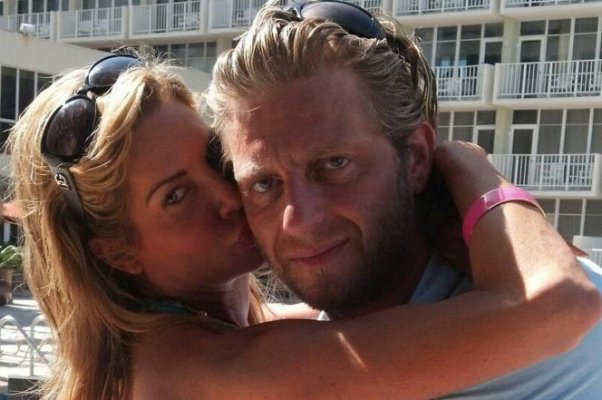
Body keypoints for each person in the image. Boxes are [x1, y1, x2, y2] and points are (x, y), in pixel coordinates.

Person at [8, 52, 600, 400]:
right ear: (118, 252)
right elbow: (559, 305)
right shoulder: (210, 372)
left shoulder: (224, 338)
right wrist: (467, 166)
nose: (229, 195)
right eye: (177, 196)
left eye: (215, 160)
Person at [206, 1, 602, 398]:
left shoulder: (556, 332)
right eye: (264, 184)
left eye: (334, 164)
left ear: (415, 157)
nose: (299, 221)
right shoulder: (311, 349)